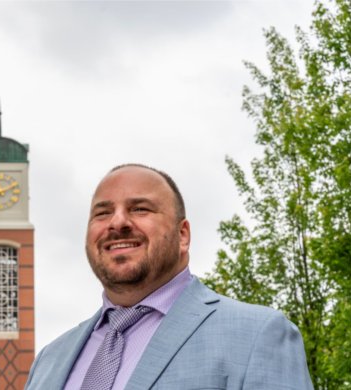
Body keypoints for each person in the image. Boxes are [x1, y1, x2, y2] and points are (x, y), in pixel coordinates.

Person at [25, 164, 313, 390]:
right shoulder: (49, 360)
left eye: (139, 208)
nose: (118, 222)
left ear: (182, 235)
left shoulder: (258, 335)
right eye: (103, 213)